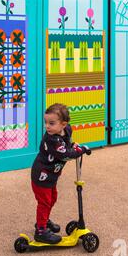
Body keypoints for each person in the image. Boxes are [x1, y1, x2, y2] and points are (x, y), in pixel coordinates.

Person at [30, 103, 89, 244]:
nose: (47, 126)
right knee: (44, 202)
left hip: (52, 175)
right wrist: (80, 150)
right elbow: (66, 154)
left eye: (51, 123)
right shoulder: (51, 140)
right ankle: (41, 231)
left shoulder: (66, 130)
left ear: (64, 124)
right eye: (45, 123)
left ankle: (43, 221)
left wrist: (73, 145)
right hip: (42, 175)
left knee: (52, 199)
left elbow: (67, 144)